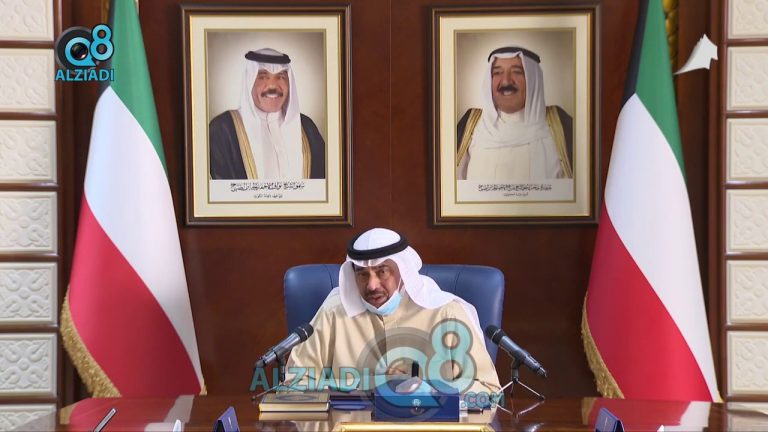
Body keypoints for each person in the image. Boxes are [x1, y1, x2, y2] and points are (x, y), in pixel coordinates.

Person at [285, 228, 501, 395]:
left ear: (403, 270)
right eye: (362, 274)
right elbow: (294, 384)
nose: (372, 285)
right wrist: (370, 385)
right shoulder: (333, 312)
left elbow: (488, 390)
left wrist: (434, 392)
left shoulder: (446, 313)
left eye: (382, 272)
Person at [457, 46, 573, 181]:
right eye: (497, 73)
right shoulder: (471, 125)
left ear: (533, 79)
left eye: (517, 72)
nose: (506, 81)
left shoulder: (560, 125)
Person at [209, 48, 325, 180]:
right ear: (250, 82)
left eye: (281, 77)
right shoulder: (222, 129)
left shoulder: (306, 127)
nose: (272, 86)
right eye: (262, 77)